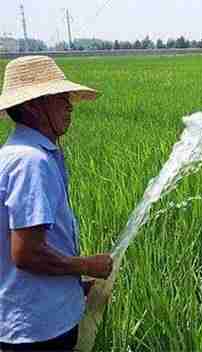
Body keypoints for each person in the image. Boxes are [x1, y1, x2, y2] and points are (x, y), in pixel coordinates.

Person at [0, 56, 113, 351]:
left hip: (38, 315)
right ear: (34, 106)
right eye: (60, 98)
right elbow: (27, 254)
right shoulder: (30, 162)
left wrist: (75, 286)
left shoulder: (24, 153)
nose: (70, 105)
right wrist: (88, 265)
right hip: (38, 328)